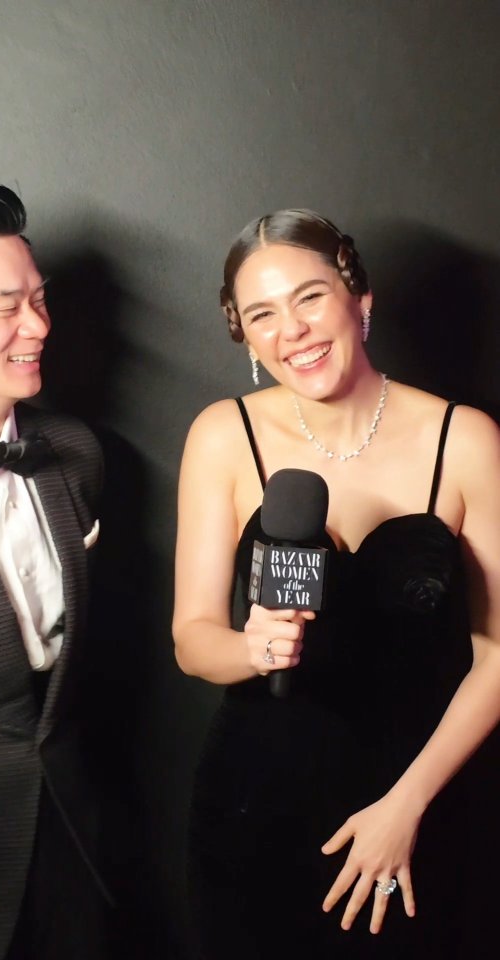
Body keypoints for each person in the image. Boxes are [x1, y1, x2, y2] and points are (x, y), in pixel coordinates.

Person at [173, 209, 500, 959]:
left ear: (361, 300)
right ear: (245, 336)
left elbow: (498, 654)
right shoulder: (224, 436)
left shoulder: (465, 439)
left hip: (420, 806)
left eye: (310, 297)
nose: (292, 330)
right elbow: (192, 638)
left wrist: (405, 807)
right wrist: (252, 649)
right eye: (262, 313)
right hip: (253, 813)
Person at [0, 185, 112, 959]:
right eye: (8, 307)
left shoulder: (76, 451)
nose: (40, 326)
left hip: (74, 834)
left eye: (41, 300)